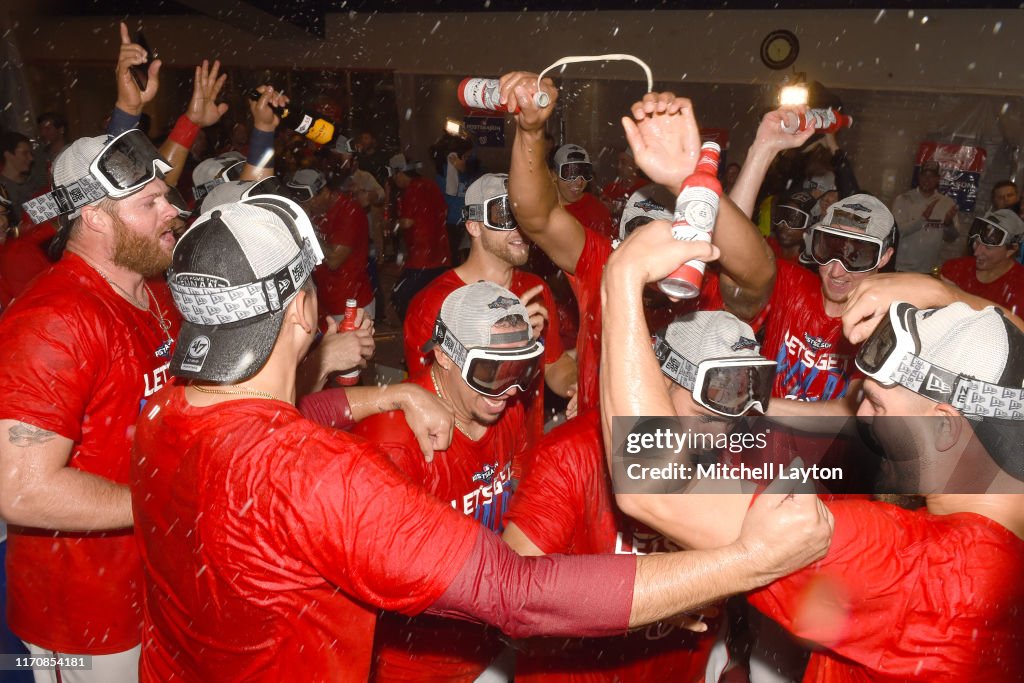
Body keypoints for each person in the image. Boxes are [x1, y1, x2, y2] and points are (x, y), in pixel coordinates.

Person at [131, 197, 831, 681]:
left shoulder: (161, 411)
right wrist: (744, 560)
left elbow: (293, 415)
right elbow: (518, 592)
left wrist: (390, 388)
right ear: (303, 311)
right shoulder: (323, 474)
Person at [598, 216, 1024, 680]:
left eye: (878, 406)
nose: (860, 418)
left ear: (946, 428)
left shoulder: (917, 569)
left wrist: (620, 282)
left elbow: (652, 481)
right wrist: (949, 298)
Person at [503, 310, 777, 682]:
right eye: (705, 417)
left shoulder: (735, 451)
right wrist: (650, 600)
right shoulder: (569, 455)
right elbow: (512, 606)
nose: (720, 436)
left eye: (731, 421)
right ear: (657, 381)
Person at [0, 130, 181, 682]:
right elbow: (19, 489)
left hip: (148, 586)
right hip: (83, 617)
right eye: (150, 203)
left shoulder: (153, 291)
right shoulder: (52, 320)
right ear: (96, 217)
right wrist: (168, 506)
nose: (172, 210)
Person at [504, 76, 773, 414]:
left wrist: (686, 180)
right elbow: (536, 216)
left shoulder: (708, 290)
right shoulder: (606, 262)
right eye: (640, 235)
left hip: (680, 454)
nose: (652, 254)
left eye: (667, 235)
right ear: (621, 238)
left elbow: (758, 272)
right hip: (598, 450)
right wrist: (530, 133)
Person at [360, 281, 537, 680]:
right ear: (444, 356)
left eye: (518, 369)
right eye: (490, 371)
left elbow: (522, 500)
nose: (506, 390)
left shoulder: (506, 408)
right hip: (417, 664)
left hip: (493, 639)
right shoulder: (396, 441)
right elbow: (388, 577)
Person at [404, 173, 577, 443]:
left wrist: (577, 387)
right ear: (474, 226)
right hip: (466, 463)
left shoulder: (535, 289)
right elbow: (427, 398)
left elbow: (555, 364)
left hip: (525, 453)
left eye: (526, 217)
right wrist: (508, 349)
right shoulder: (434, 304)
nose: (521, 229)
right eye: (505, 216)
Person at [287, 167, 374, 321]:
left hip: (350, 303)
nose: (308, 205)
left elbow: (334, 260)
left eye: (310, 200)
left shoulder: (348, 211)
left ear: (324, 192)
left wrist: (306, 225)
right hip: (324, 299)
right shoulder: (317, 210)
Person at [388, 152, 450, 319]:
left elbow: (407, 222)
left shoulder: (411, 190)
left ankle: (413, 328)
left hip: (421, 257)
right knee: (433, 298)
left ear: (399, 173)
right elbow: (444, 210)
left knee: (400, 296)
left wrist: (393, 225)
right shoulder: (430, 185)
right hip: (440, 253)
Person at [940, 208, 1024, 314]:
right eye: (977, 243)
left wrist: (958, 296)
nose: (977, 253)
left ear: (1011, 250)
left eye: (988, 248)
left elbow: (1012, 327)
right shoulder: (954, 269)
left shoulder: (1020, 286)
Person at [891, 159, 960, 273]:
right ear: (919, 176)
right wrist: (922, 219)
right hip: (903, 268)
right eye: (924, 175)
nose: (927, 180)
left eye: (932, 176)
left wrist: (949, 224)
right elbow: (897, 232)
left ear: (938, 179)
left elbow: (951, 238)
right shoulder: (904, 199)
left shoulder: (947, 203)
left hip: (931, 269)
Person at [552, 143, 616, 241]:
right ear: (553, 175)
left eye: (585, 173)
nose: (579, 182)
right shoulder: (542, 209)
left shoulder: (596, 211)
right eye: (570, 173)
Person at [0, 132, 36, 224]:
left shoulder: (33, 182)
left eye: (30, 153)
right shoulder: (2, 191)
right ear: (8, 155)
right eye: (25, 153)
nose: (31, 158)